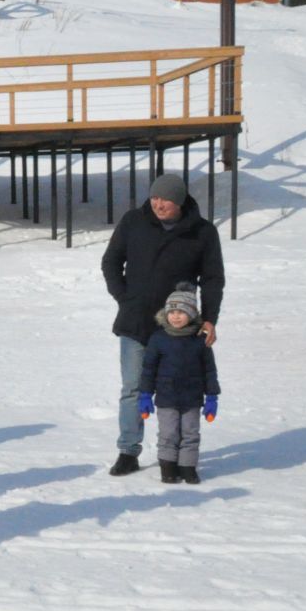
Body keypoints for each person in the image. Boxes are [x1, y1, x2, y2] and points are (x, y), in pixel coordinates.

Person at [101, 172, 224, 477]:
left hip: (178, 329)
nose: (157, 204)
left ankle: (178, 457)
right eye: (154, 197)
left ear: (179, 201)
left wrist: (209, 318)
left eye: (165, 199)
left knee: (179, 391)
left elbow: (212, 279)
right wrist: (124, 298)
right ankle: (128, 451)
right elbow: (111, 261)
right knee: (132, 388)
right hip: (135, 322)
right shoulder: (134, 221)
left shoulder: (202, 232)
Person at [139, 285, 220, 484]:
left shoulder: (200, 341)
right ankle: (168, 467)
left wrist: (211, 397)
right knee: (168, 433)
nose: (176, 317)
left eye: (181, 312)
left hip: (192, 398)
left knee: (191, 433)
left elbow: (209, 371)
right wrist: (145, 395)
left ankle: (187, 467)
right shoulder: (158, 339)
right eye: (172, 312)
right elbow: (148, 369)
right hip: (167, 398)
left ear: (192, 314)